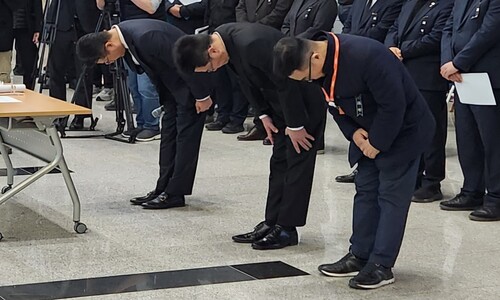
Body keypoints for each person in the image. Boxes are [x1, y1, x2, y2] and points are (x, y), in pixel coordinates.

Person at [273, 32, 434, 288]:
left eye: (306, 77)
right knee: (366, 191)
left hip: (404, 131)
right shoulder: (319, 62)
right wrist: (353, 133)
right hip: (366, 132)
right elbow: (332, 103)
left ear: (315, 56)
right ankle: (359, 255)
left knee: (391, 196)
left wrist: (376, 143)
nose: (308, 82)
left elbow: (394, 105)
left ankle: (382, 265)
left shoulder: (367, 55)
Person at [173, 23, 326, 250]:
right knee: (279, 162)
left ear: (212, 52)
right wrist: (263, 114)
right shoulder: (225, 41)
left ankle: (287, 228)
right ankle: (272, 221)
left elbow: (286, 80)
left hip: (302, 105)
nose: (214, 70)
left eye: (210, 68)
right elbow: (245, 80)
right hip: (279, 105)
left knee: (297, 165)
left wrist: (295, 125)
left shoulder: (251, 43)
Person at [76, 19, 212, 209]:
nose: (110, 62)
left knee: (185, 141)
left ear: (109, 45)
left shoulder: (146, 36)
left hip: (190, 88)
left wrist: (202, 95)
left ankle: (175, 193)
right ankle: (163, 187)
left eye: (107, 59)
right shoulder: (128, 37)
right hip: (172, 90)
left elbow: (188, 62)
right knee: (168, 137)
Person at [385, 0, 454, 202]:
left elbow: (435, 37)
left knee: (431, 131)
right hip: (404, 74)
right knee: (408, 129)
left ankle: (432, 182)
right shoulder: (411, 3)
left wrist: (403, 50)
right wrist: (390, 46)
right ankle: (412, 177)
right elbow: (395, 27)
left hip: (427, 76)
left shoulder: (446, 5)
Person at [439, 0, 500, 221]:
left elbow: (490, 30)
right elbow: (449, 27)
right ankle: (471, 190)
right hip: (463, 77)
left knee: (493, 140)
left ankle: (495, 197)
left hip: (489, 76)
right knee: (468, 137)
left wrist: (459, 62)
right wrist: (448, 62)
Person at [336, 0, 404, 183]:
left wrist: (350, 43)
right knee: (356, 115)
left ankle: (375, 163)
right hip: (353, 61)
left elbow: (380, 31)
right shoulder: (360, 2)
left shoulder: (395, 3)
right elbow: (348, 25)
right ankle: (361, 164)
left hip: (374, 65)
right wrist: (346, 43)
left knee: (373, 115)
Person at [96, 0, 166, 142]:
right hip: (125, 36)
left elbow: (151, 7)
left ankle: (152, 126)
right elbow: (101, 6)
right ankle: (140, 123)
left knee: (146, 85)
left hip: (148, 34)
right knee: (133, 85)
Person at [12, 0, 43, 89]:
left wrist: (38, 28)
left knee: (29, 64)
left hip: (27, 26)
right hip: (5, 24)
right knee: (4, 64)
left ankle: (30, 92)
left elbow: (37, 5)